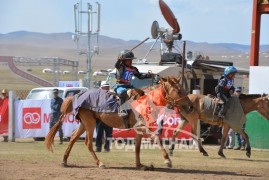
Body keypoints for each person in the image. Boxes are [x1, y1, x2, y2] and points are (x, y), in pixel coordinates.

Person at [115, 49, 152, 118]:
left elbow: (140, 76)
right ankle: (121, 110)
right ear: (123, 60)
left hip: (129, 86)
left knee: (141, 93)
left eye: (131, 60)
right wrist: (119, 60)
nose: (131, 61)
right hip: (120, 86)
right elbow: (117, 65)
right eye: (129, 60)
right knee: (122, 93)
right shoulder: (120, 67)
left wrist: (148, 75)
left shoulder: (133, 69)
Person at [95, 82, 113, 152]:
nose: (107, 89)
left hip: (109, 117)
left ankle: (107, 147)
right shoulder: (97, 96)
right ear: (101, 88)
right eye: (105, 87)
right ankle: (98, 147)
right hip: (99, 118)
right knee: (99, 133)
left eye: (108, 87)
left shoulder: (111, 96)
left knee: (109, 134)